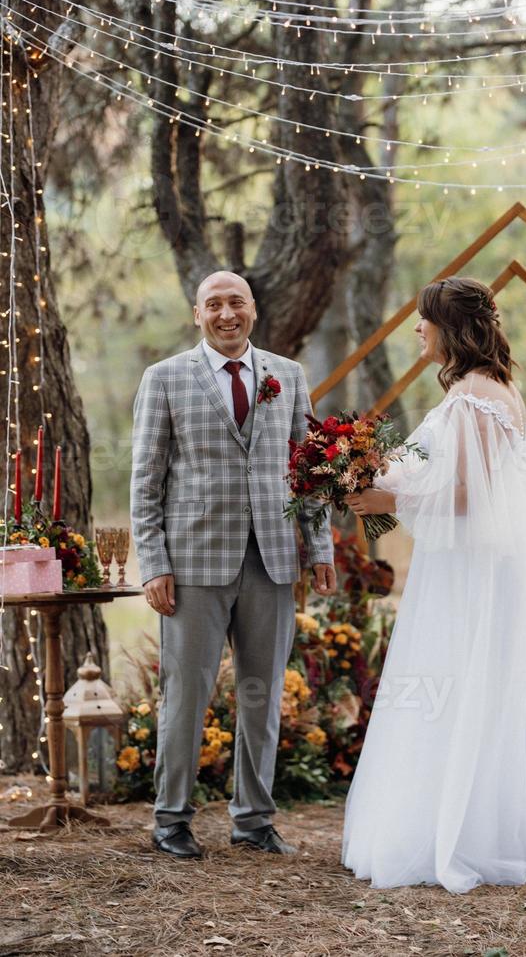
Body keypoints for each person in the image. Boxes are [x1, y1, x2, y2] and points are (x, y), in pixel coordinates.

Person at [341, 276, 526, 893]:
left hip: (474, 571)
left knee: (463, 680)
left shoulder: (473, 395)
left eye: (422, 320)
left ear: (450, 328)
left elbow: (469, 495)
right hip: (484, 562)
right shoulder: (488, 388)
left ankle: (467, 835)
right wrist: (387, 471)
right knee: (477, 683)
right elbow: (449, 475)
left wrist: (385, 496)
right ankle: (495, 823)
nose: (415, 330)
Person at [130, 270, 337, 860]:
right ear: (197, 314)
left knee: (262, 694)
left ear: (253, 310)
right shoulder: (165, 378)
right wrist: (153, 563)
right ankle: (171, 820)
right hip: (192, 563)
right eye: (214, 304)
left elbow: (308, 471)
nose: (227, 314)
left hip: (272, 559)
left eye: (236, 303)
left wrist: (318, 547)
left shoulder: (287, 375)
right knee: (186, 695)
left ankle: (253, 820)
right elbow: (146, 480)